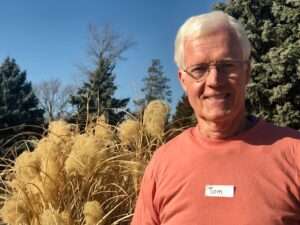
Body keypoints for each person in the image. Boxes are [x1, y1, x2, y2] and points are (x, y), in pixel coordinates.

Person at [131, 11, 300, 225]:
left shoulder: (294, 154)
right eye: (199, 69)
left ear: (247, 71)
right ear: (183, 80)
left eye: (227, 65)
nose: (214, 80)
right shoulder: (162, 163)